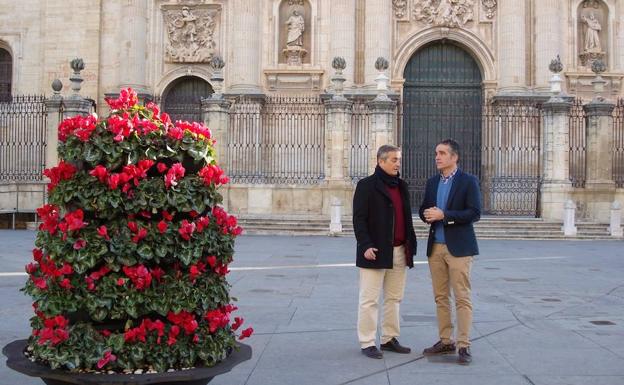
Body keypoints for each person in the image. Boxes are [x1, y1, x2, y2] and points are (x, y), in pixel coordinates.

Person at [419, 139, 481, 365]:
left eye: (442, 153)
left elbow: (474, 212)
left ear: (454, 157)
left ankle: (464, 345)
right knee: (440, 297)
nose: (437, 157)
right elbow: (423, 208)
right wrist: (428, 213)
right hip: (435, 247)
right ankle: (446, 340)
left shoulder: (468, 181)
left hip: (459, 248)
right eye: (436, 152)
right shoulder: (432, 182)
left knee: (462, 297)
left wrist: (445, 215)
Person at [353, 145, 417, 359]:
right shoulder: (366, 185)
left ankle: (389, 338)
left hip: (399, 250)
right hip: (376, 250)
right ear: (381, 162)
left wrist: (411, 245)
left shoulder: (401, 186)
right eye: (393, 160)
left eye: (399, 159)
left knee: (394, 298)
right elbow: (359, 219)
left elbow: (406, 218)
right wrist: (365, 245)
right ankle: (367, 341)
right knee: (369, 299)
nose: (398, 163)